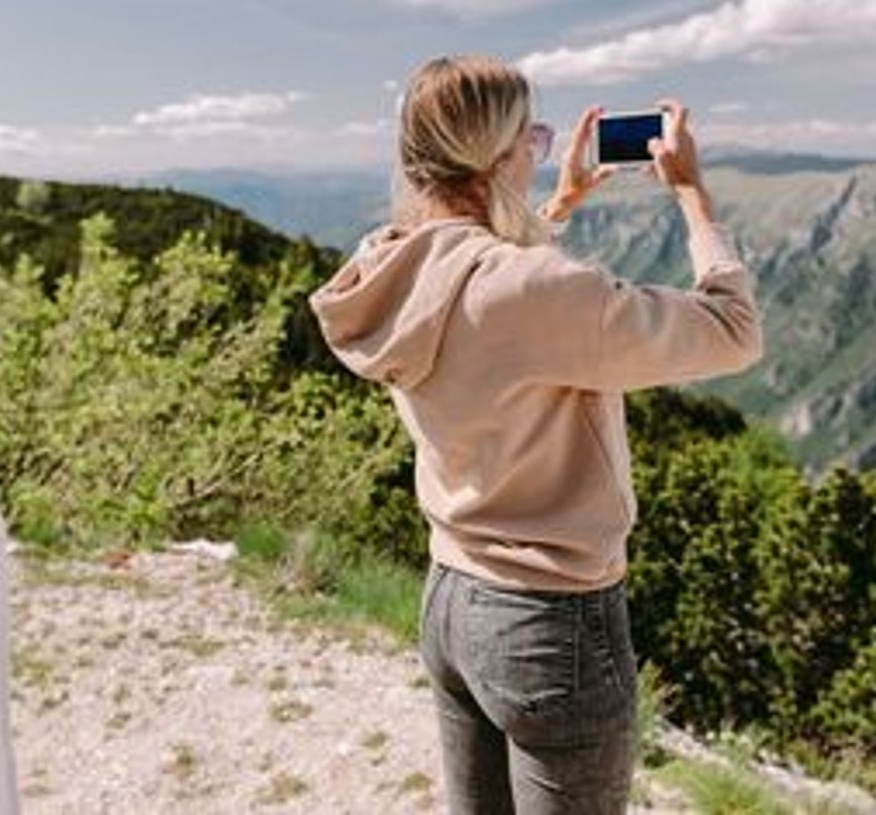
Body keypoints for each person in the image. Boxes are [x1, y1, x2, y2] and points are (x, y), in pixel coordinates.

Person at [309, 55, 763, 814]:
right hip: (551, 623)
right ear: (496, 158)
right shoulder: (530, 291)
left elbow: (479, 292)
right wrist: (693, 197)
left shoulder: (385, 266)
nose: (540, 148)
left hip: (451, 598)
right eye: (534, 138)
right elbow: (733, 330)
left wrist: (559, 203)